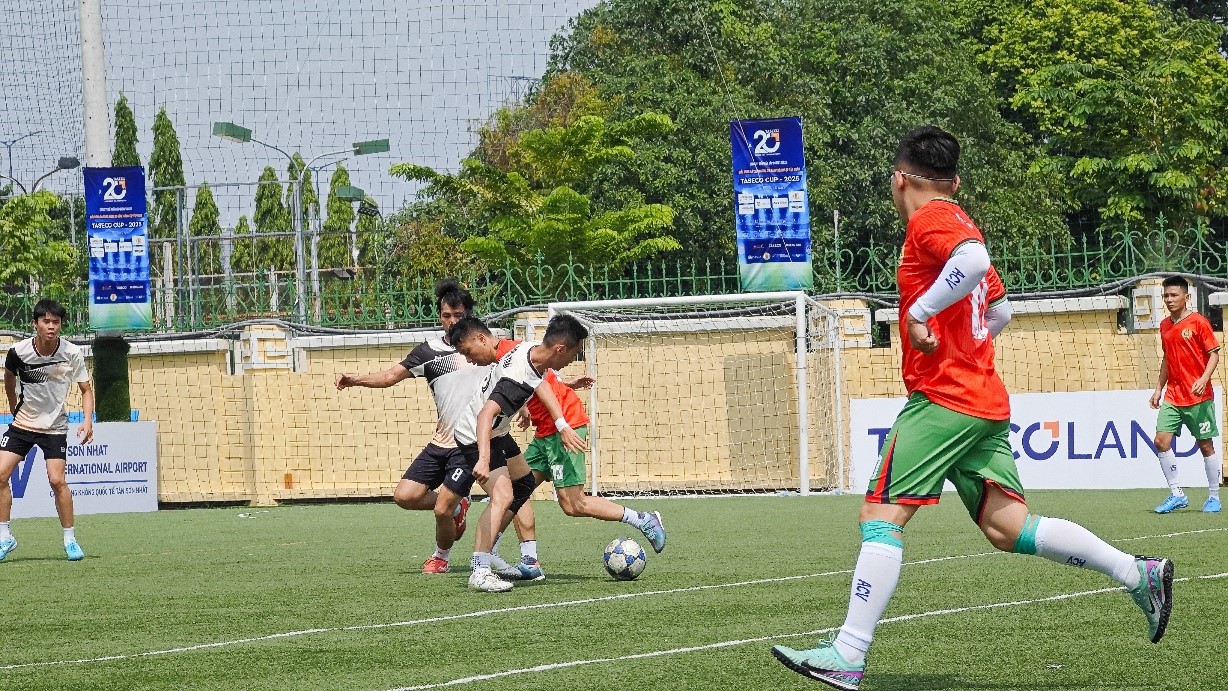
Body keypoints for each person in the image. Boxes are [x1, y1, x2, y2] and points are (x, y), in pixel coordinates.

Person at [771, 126, 1174, 690]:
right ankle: (1137, 573)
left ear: (900, 179)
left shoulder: (931, 219)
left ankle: (847, 652)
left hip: (944, 398)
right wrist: (964, 343)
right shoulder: (956, 219)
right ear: (955, 180)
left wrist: (921, 314)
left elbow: (975, 260)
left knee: (880, 517)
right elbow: (1000, 310)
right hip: (982, 398)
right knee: (1008, 528)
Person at [335, 279, 480, 574]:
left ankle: (441, 557)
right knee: (405, 496)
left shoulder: (484, 348)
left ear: (469, 314)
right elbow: (390, 377)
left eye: (459, 315)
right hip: (441, 441)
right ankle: (458, 506)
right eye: (447, 316)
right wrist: (355, 380)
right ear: (440, 316)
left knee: (440, 509)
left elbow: (512, 378)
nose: (453, 321)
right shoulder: (428, 352)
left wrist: (525, 408)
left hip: (468, 445)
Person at [489, 347, 666, 581]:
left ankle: (643, 519)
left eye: (467, 350)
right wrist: (563, 385)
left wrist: (561, 424)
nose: (468, 356)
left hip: (564, 427)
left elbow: (537, 380)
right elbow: (541, 377)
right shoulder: (504, 357)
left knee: (573, 504)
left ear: (480, 339)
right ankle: (526, 561)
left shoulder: (506, 350)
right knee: (517, 489)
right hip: (545, 431)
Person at [449, 314, 596, 592]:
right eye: (575, 354)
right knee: (503, 496)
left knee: (525, 483)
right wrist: (483, 458)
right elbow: (484, 415)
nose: (573, 360)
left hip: (497, 432)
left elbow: (540, 383)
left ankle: (500, 552)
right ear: (560, 349)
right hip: (476, 435)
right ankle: (480, 569)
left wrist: (561, 424)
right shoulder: (517, 375)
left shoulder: (530, 353)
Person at [0, 299, 94, 562]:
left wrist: (87, 421)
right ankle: (5, 537)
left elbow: (86, 390)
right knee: (0, 474)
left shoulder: (71, 353)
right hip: (22, 424)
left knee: (57, 480)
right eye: (46, 321)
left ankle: (70, 540)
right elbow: (8, 377)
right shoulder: (18, 352)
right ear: (35, 324)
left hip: (54, 427)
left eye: (56, 322)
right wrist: (12, 405)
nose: (51, 326)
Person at [1149, 275, 1222, 514]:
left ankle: (1214, 497)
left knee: (1205, 446)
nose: (1169, 299)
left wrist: (1203, 379)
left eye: (1174, 295)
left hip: (1198, 396)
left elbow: (1214, 354)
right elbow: (1167, 359)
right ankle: (1177, 494)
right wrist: (1158, 389)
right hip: (1173, 395)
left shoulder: (1199, 322)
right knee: (1161, 441)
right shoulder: (1164, 326)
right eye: (1166, 296)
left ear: (1186, 297)